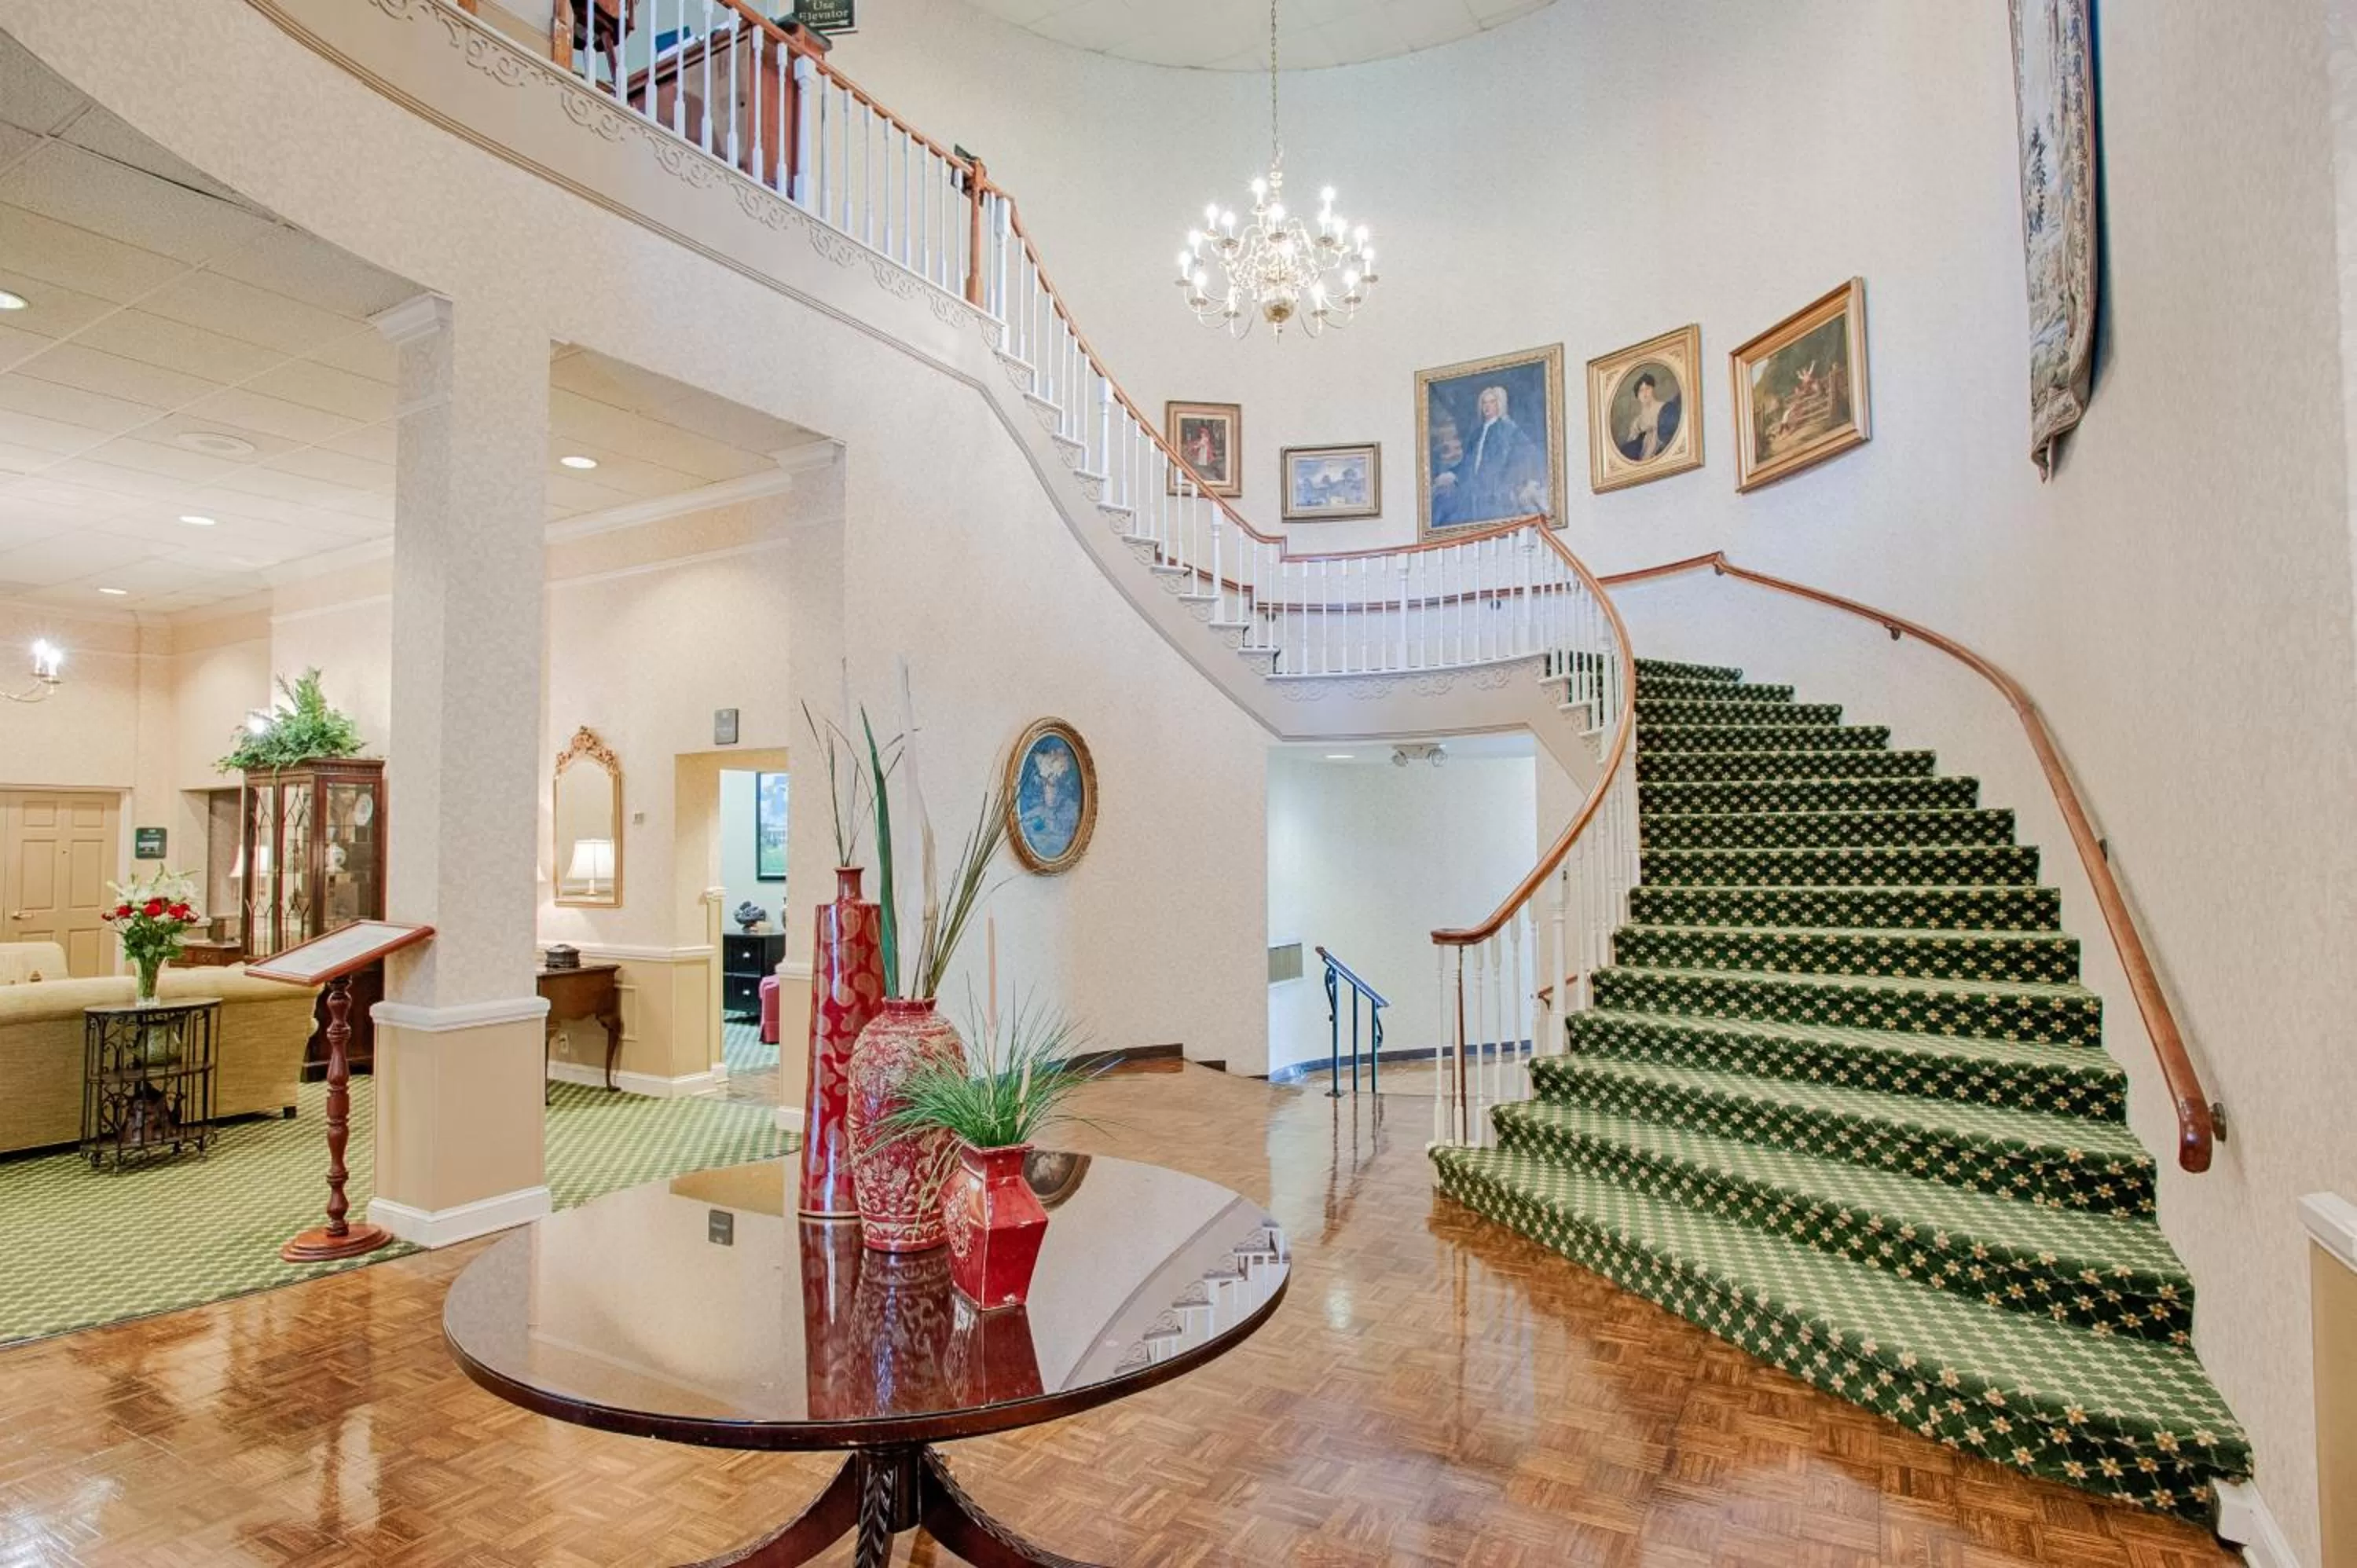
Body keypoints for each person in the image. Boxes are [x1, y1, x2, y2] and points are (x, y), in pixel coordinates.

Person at [1431, 383, 1545, 524]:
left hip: (1497, 493)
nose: (1487, 406)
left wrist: (1531, 482)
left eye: (1492, 402)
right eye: (1484, 402)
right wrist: (1452, 474)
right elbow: (1467, 462)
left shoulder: (1508, 430)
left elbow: (1528, 453)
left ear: (1500, 404)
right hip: (1475, 495)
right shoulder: (1477, 433)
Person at [1616, 371, 1682, 463]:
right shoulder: (1637, 422)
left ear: (1653, 389)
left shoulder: (1665, 408)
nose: (1645, 393)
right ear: (1638, 396)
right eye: (1641, 390)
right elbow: (1631, 445)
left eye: (1648, 388)